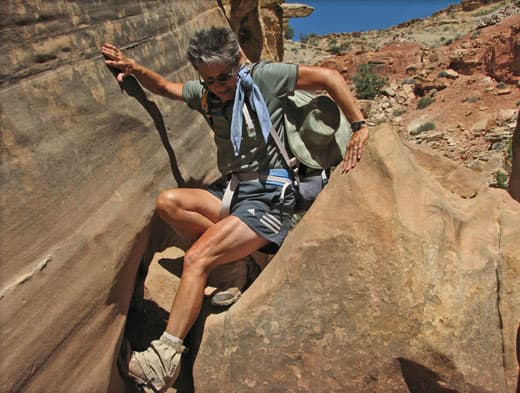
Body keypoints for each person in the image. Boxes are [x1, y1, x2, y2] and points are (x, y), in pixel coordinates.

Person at [102, 26, 368, 392]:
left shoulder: (265, 77)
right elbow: (166, 88)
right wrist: (134, 68)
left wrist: (359, 126)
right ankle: (238, 263)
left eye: (224, 76)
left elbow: (328, 77)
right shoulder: (207, 94)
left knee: (196, 259)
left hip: (271, 197)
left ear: (238, 62)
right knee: (169, 204)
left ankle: (163, 362)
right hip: (234, 191)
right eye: (208, 79)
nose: (219, 86)